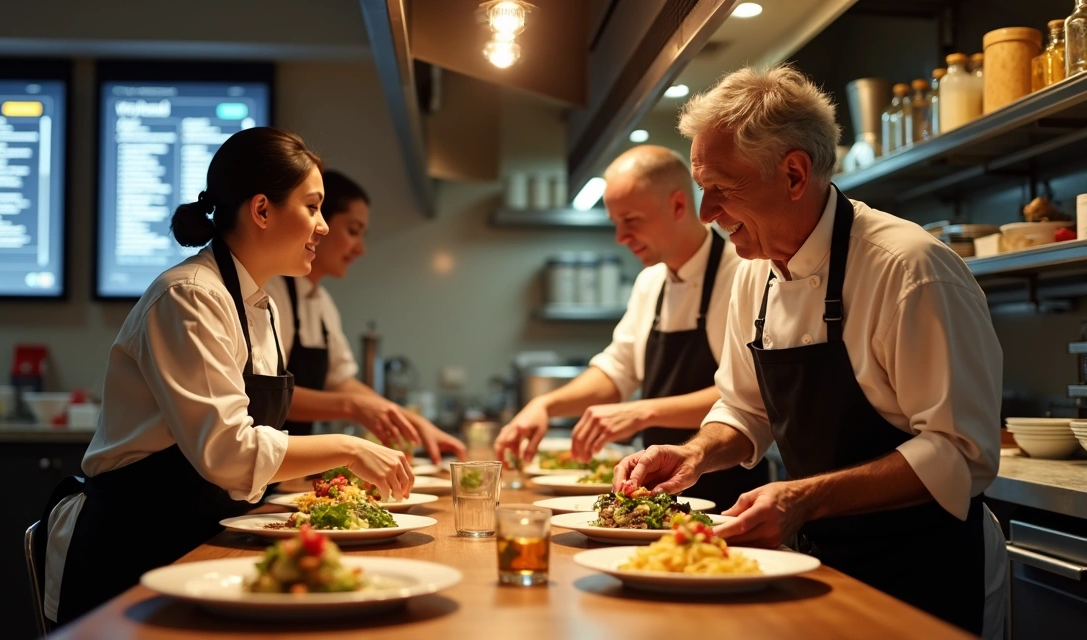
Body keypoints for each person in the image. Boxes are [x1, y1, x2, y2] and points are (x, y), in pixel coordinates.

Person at [613, 65, 1005, 639]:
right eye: (702, 188)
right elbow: (744, 409)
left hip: (925, 576)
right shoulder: (758, 271)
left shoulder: (908, 270)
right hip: (819, 566)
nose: (706, 213)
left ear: (794, 174)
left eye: (722, 187)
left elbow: (960, 452)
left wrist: (804, 497)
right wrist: (695, 454)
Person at [38, 128, 413, 626]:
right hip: (135, 548)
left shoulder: (259, 306)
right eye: (313, 207)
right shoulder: (189, 296)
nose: (321, 227)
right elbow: (228, 451)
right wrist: (349, 448)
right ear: (261, 210)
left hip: (203, 539)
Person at [494, 145, 768, 510]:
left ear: (677, 206)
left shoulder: (742, 273)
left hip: (727, 492)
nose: (621, 238)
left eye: (632, 220)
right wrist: (546, 404)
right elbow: (617, 370)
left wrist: (641, 411)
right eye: (616, 223)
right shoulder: (649, 282)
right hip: (656, 494)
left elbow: (745, 397)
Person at [265, 169, 466, 463]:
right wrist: (352, 407)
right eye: (353, 231)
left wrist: (410, 422)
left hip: (285, 467)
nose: (360, 249)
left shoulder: (320, 302)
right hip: (263, 467)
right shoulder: (271, 292)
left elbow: (341, 381)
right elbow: (266, 397)